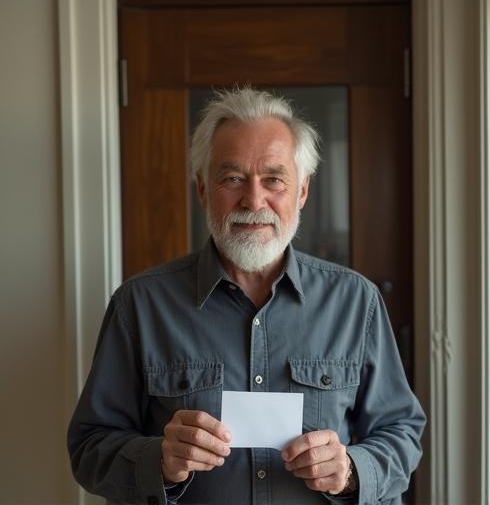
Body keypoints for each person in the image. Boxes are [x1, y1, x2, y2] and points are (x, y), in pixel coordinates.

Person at [68, 87, 426, 505]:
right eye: (232, 178)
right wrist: (159, 461)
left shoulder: (356, 302)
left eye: (273, 178)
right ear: (203, 189)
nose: (254, 200)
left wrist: (349, 471)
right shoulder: (140, 305)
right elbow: (89, 446)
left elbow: (402, 433)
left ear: (302, 191)